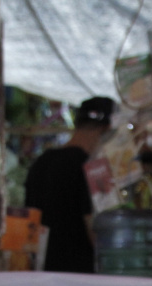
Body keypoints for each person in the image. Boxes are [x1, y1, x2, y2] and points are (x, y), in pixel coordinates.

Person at [25, 96, 118, 273]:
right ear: (106, 131)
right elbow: (99, 230)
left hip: (42, 272)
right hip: (81, 276)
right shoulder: (96, 168)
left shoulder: (41, 163)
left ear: (76, 124)